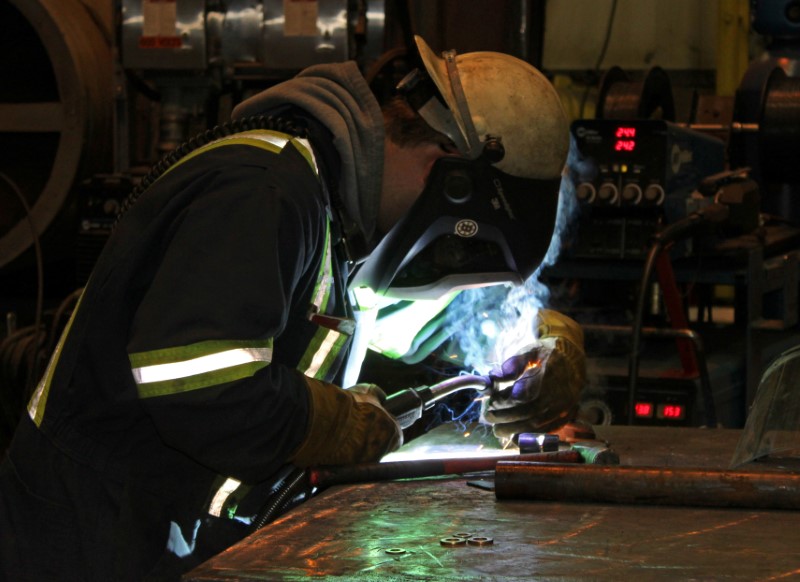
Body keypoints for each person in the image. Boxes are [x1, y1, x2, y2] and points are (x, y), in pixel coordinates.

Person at [0, 36, 584, 581]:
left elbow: (421, 334)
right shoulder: (264, 189)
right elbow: (202, 386)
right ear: (445, 170)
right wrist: (331, 423)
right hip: (93, 542)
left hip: (168, 532)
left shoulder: (335, 210)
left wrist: (535, 344)